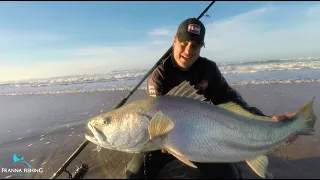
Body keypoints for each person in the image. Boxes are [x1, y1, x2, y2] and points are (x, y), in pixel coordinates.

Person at [125, 17, 295, 179]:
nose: (188, 51)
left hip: (204, 138)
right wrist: (164, 141)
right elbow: (157, 120)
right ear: (174, 40)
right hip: (164, 141)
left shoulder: (209, 69)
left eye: (195, 46)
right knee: (134, 174)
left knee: (230, 176)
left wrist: (266, 120)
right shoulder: (159, 76)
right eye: (184, 44)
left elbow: (231, 100)